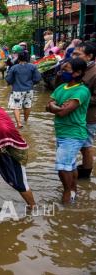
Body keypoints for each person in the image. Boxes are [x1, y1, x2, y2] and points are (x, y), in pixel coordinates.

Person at [46, 58, 89, 203]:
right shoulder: (61, 87)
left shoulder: (82, 91)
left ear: (78, 73)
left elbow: (64, 112)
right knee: (69, 165)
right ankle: (73, 190)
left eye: (66, 70)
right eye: (62, 69)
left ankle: (67, 194)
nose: (62, 72)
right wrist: (55, 107)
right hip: (62, 132)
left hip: (74, 134)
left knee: (62, 167)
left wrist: (55, 107)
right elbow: (48, 106)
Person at [72, 42, 96, 178]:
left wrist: (77, 100)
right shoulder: (79, 69)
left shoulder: (94, 72)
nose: (74, 56)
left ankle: (86, 172)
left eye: (78, 54)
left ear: (89, 56)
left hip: (89, 117)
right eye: (74, 53)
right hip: (76, 115)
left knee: (86, 145)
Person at [6, 52, 42, 128]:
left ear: (18, 58)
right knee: (27, 106)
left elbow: (8, 79)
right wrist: (32, 83)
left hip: (17, 90)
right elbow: (38, 78)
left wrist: (11, 83)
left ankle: (19, 123)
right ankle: (25, 121)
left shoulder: (14, 67)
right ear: (28, 58)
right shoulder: (33, 67)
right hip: (29, 90)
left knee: (16, 107)